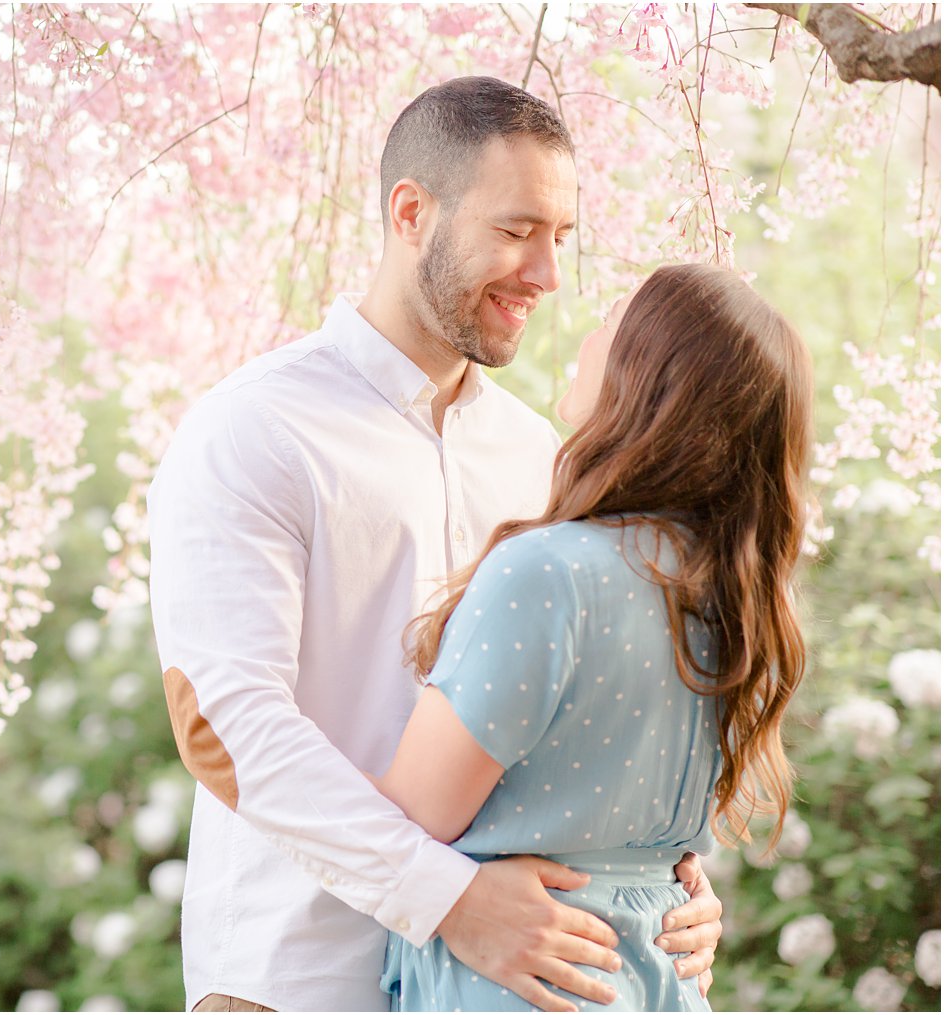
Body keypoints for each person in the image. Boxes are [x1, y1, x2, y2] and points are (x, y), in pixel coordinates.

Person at [147, 77, 723, 1014]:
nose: (546, 273)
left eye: (561, 238)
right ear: (412, 212)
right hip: (298, 978)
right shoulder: (254, 429)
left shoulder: (544, 452)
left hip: (504, 988)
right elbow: (221, 726)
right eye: (515, 230)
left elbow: (598, 705)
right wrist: (447, 899)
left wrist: (672, 875)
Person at [372, 262, 812, 1010]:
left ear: (647, 374)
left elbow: (408, 821)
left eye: (612, 320)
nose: (586, 335)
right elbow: (658, 850)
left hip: (529, 983)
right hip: (660, 978)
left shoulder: (546, 575)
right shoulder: (740, 597)